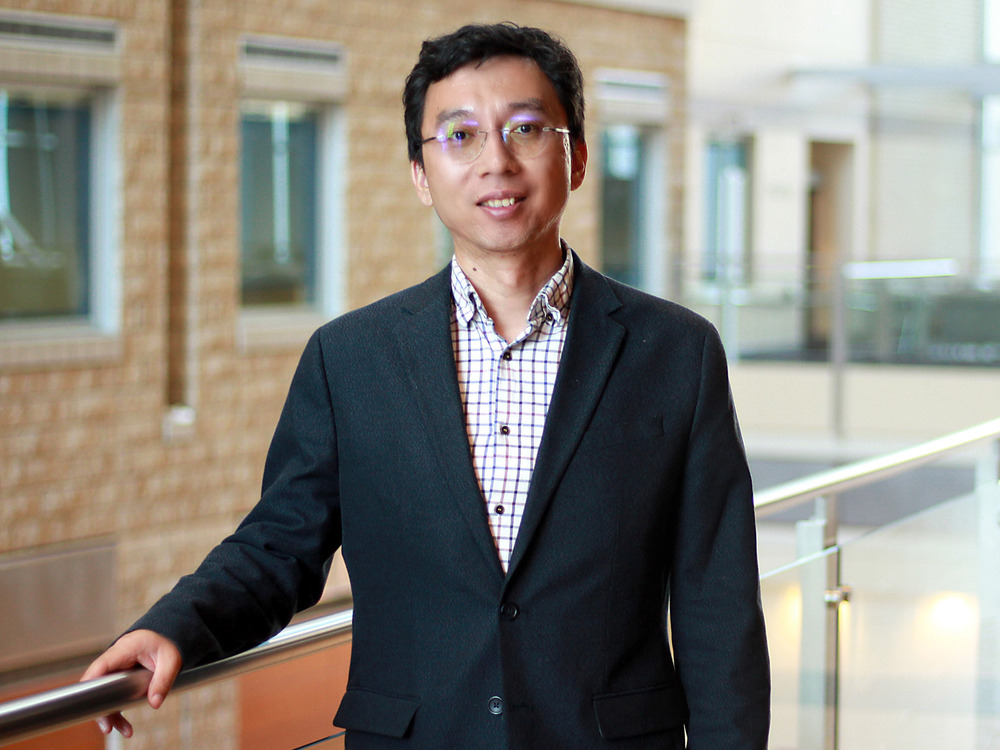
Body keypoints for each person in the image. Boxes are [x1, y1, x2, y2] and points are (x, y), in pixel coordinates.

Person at [83, 22, 770, 749]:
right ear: (420, 174)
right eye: (460, 136)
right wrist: (173, 625)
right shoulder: (348, 359)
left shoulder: (676, 353)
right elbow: (279, 548)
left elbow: (717, 607)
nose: (495, 162)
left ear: (577, 159)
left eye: (527, 129)